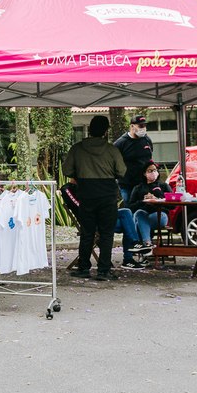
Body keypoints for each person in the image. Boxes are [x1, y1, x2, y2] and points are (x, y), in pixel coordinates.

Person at [63, 115, 127, 280]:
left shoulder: (77, 148)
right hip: (107, 195)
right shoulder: (112, 150)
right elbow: (122, 171)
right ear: (106, 131)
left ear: (90, 129)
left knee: (87, 233)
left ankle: (84, 267)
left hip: (86, 194)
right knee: (106, 234)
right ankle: (103, 270)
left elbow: (67, 171)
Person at [123, 161, 170, 268]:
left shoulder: (163, 186)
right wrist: (142, 201)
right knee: (139, 215)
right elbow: (130, 206)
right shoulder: (138, 188)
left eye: (155, 170)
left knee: (138, 223)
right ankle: (147, 244)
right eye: (150, 171)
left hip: (159, 215)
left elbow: (172, 205)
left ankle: (142, 253)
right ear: (144, 173)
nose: (153, 172)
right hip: (143, 215)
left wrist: (157, 200)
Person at [114, 115, 154, 204]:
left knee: (144, 207)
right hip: (127, 184)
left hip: (143, 184)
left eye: (144, 126)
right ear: (132, 126)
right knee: (130, 207)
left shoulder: (147, 140)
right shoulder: (121, 143)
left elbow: (150, 158)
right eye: (140, 126)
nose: (143, 128)